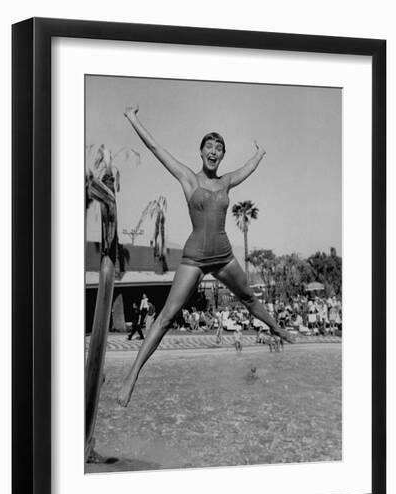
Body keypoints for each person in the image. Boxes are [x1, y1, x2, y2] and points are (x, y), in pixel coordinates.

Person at [117, 105, 294, 406]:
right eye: (209, 147)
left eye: (219, 148)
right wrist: (134, 119)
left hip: (223, 255)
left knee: (249, 298)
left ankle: (277, 327)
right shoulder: (188, 178)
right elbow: (156, 148)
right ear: (200, 152)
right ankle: (132, 376)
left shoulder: (225, 182)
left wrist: (261, 153)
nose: (214, 152)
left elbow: (246, 170)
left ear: (222, 155)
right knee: (166, 317)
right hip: (195, 257)